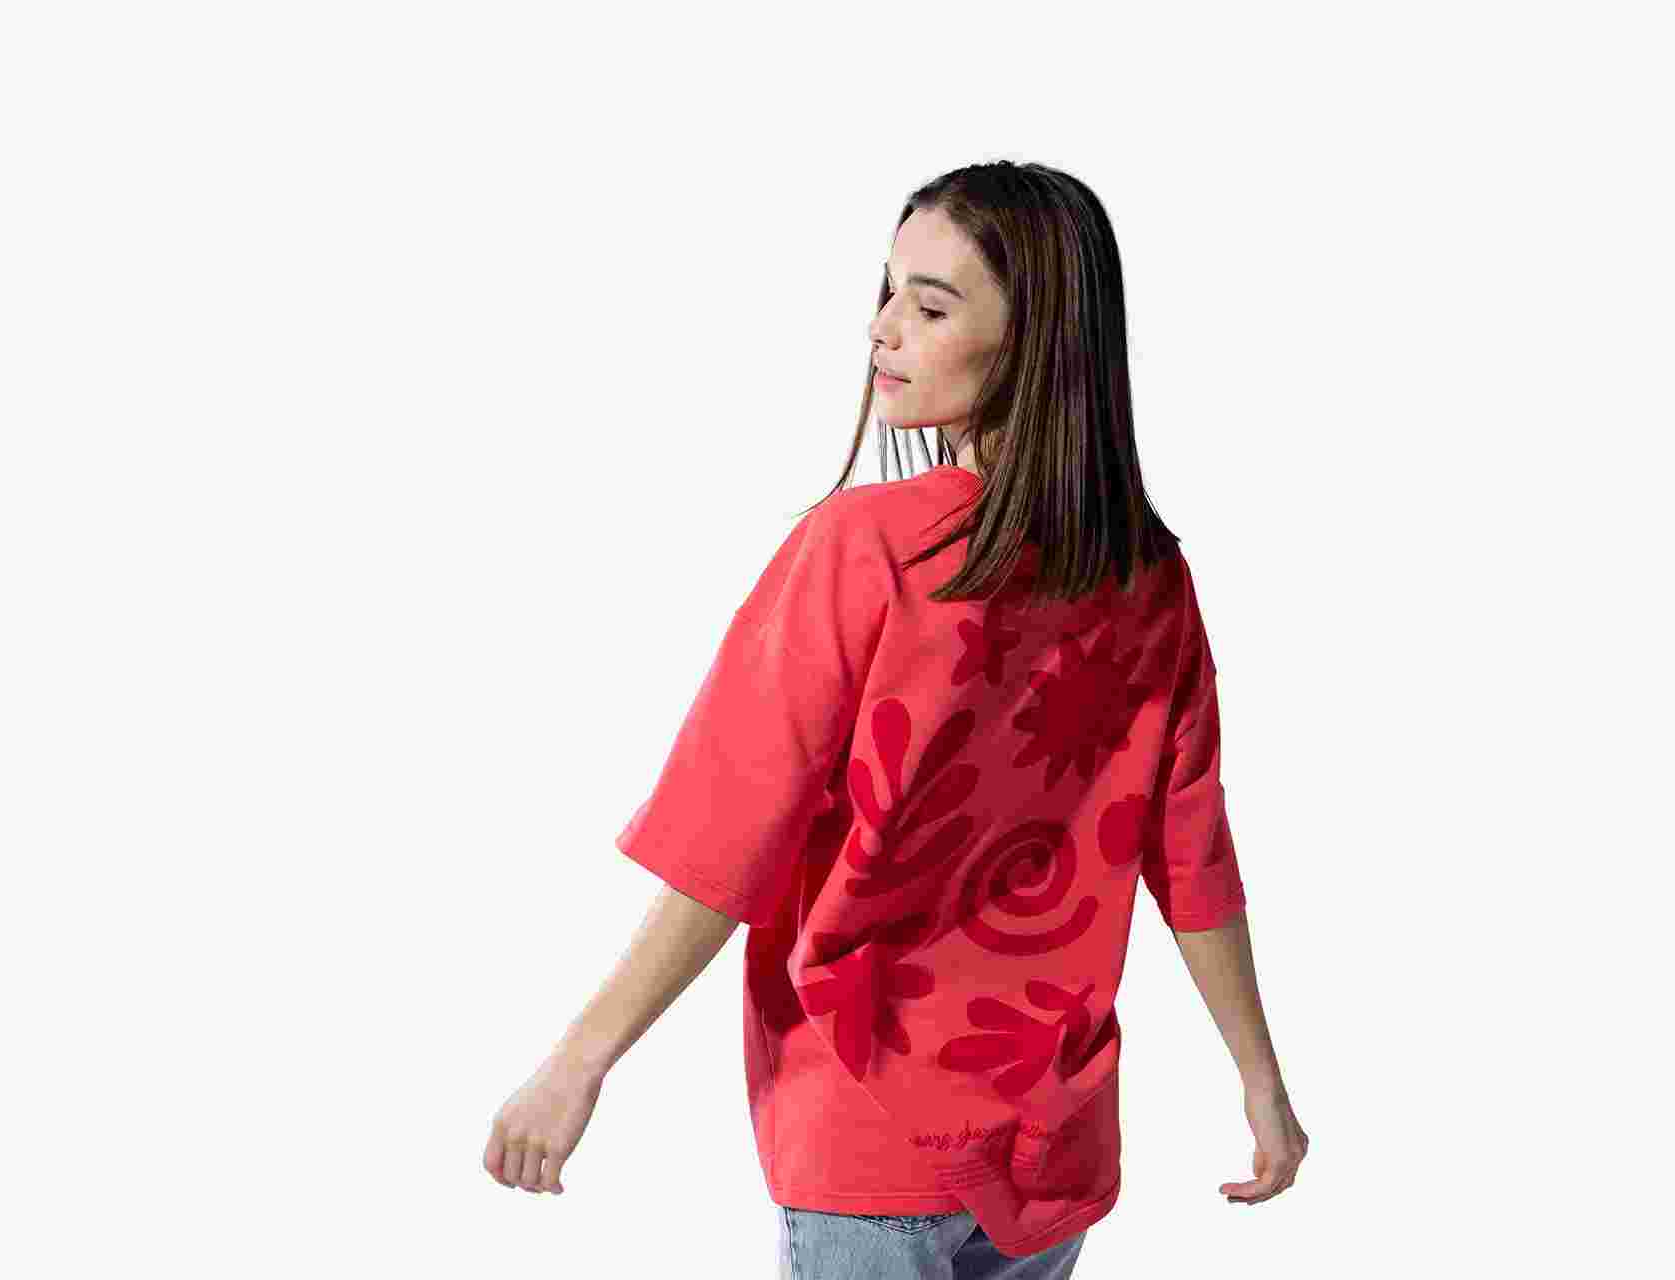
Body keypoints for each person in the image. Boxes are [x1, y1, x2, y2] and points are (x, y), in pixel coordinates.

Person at [483, 160, 1308, 1277]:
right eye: (887, 292)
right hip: (1051, 1142)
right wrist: (1260, 1081)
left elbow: (729, 834)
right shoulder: (1146, 576)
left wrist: (580, 1059)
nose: (883, 329)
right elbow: (1193, 854)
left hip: (870, 1129)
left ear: (1036, 343)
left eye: (932, 307)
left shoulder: (865, 546)